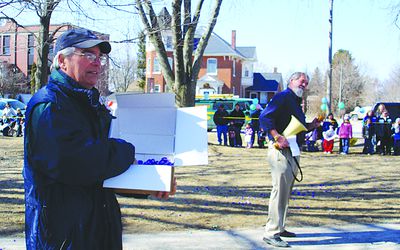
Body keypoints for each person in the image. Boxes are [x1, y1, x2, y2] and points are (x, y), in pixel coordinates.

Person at [23, 28, 175, 249]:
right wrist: (126, 151)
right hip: (63, 237)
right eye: (88, 55)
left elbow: (100, 175)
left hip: (98, 231)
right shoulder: (49, 106)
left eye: (99, 56)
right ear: (62, 61)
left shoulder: (91, 105)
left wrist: (148, 184)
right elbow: (75, 164)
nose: (97, 63)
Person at [259, 72, 320, 248]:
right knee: (279, 190)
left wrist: (311, 126)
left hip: (292, 149)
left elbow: (297, 127)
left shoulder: (295, 101)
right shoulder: (283, 97)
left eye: (306, 83)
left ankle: (280, 227)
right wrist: (277, 136)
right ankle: (271, 232)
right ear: (291, 81)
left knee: (286, 191)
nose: (304, 85)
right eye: (302, 81)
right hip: (280, 150)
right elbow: (265, 117)